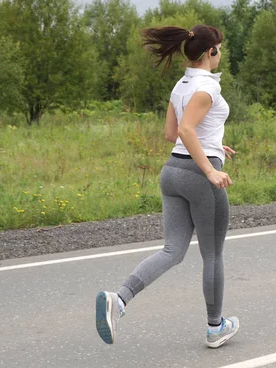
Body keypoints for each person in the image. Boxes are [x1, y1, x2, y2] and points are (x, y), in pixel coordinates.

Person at [96, 24, 239, 349]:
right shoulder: (207, 89)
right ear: (210, 52)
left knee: (173, 250)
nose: (221, 52)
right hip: (198, 176)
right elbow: (187, 130)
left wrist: (215, 146)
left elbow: (170, 133)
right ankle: (215, 328)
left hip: (172, 172)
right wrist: (209, 169)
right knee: (213, 255)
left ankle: (117, 301)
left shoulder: (181, 86)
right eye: (220, 47)